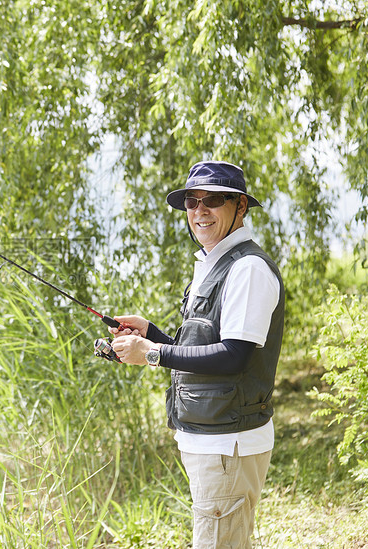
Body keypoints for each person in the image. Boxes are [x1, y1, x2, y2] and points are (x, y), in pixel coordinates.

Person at [110, 160, 284, 549]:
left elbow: (234, 356)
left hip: (228, 444)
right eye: (192, 201)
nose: (200, 210)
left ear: (240, 206)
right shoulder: (213, 262)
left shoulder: (247, 269)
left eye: (214, 200)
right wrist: (151, 334)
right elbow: (204, 348)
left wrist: (153, 353)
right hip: (211, 441)